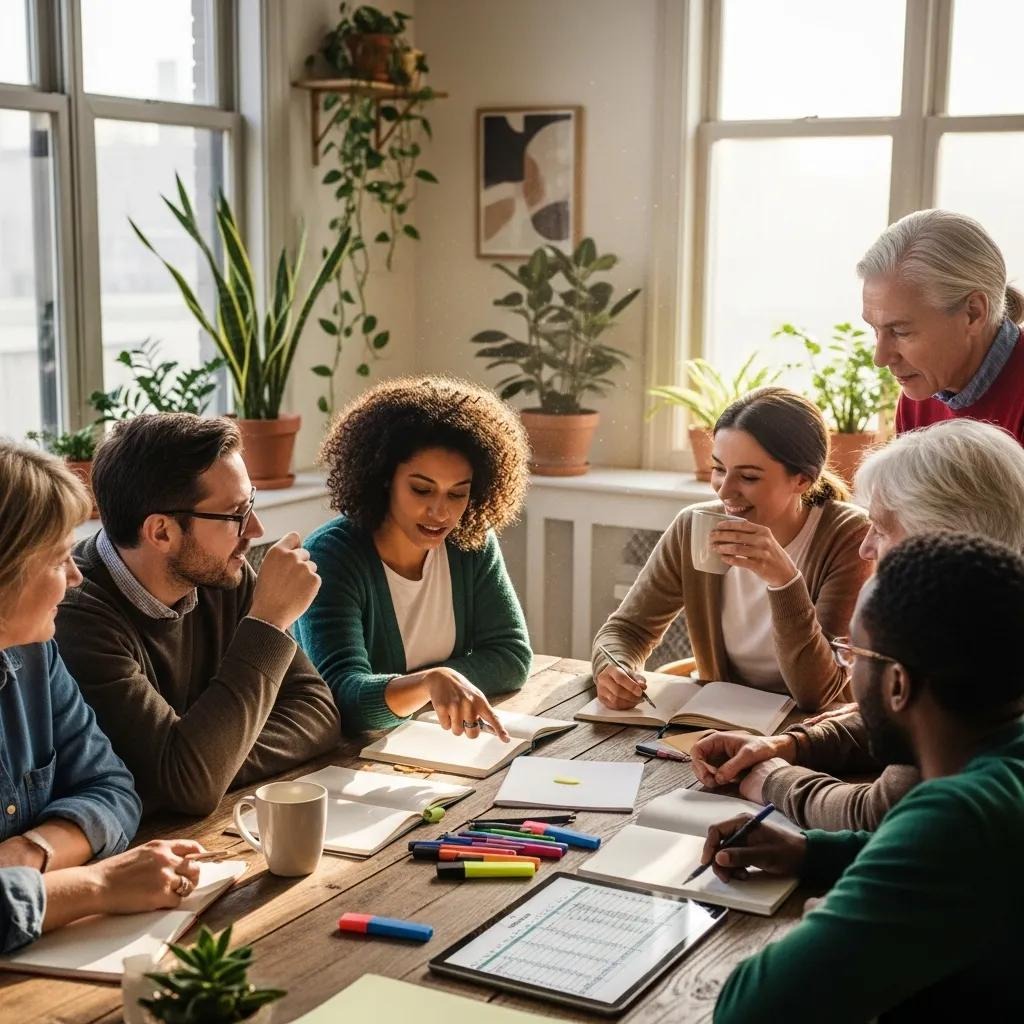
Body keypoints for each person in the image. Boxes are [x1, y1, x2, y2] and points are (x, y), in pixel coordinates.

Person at [710, 533, 1024, 1022]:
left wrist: (830, 915)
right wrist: (812, 851)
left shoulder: (959, 814)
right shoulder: (1004, 772)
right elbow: (962, 863)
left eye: (853, 655)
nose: (848, 672)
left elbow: (750, 1009)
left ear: (898, 684)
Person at [691, 418, 1024, 829]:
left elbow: (879, 812)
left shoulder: (966, 642)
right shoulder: (995, 604)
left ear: (945, 538)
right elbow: (896, 717)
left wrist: (772, 778)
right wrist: (791, 744)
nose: (867, 548)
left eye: (881, 530)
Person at [55, 415, 341, 816]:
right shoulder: (76, 617)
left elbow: (318, 714)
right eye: (236, 513)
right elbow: (189, 786)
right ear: (161, 533)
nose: (255, 529)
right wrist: (268, 624)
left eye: (251, 504)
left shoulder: (222, 574)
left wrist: (209, 759)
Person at [0, 440, 206, 953]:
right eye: (58, 560)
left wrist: (31, 853)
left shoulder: (33, 656)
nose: (75, 580)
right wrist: (99, 885)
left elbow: (112, 786)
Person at [592, 387, 870, 712]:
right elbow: (628, 629)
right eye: (719, 469)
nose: (724, 491)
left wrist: (784, 581)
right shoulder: (694, 526)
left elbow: (817, 693)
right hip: (719, 722)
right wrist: (614, 668)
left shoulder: (851, 536)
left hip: (813, 733)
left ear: (802, 480)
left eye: (748, 477)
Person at [295, 376, 531, 738]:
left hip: (431, 745)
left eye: (457, 494)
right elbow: (344, 699)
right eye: (421, 489)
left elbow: (511, 656)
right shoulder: (331, 557)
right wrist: (431, 683)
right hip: (336, 761)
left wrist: (438, 685)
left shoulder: (470, 541)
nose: (440, 511)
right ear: (384, 477)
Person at [859, 208, 1024, 442]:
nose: (880, 358)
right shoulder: (919, 395)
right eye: (875, 329)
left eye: (900, 331)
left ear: (973, 313)